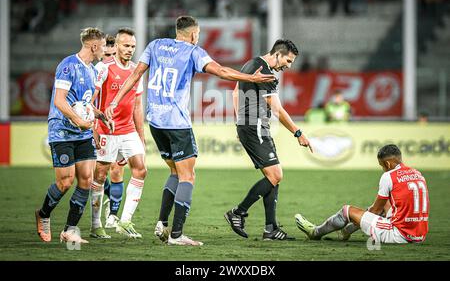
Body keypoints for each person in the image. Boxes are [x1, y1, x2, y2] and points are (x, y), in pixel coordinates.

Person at [105, 15, 275, 246]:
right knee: (188, 175)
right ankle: (176, 235)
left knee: (175, 172)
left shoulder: (155, 45)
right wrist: (249, 77)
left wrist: (115, 101)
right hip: (177, 123)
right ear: (194, 34)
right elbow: (222, 72)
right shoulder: (194, 52)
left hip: (155, 121)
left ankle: (162, 223)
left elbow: (135, 75)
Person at [225, 39, 313, 241]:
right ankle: (237, 212)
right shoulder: (265, 74)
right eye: (288, 60)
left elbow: (235, 92)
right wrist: (298, 133)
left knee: (273, 175)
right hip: (255, 126)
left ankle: (270, 228)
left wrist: (239, 121)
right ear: (278, 54)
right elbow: (278, 110)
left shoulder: (251, 63)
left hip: (251, 125)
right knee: (275, 174)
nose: (288, 66)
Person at [35, 27, 107, 244]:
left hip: (83, 131)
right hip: (62, 131)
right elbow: (59, 100)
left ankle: (70, 230)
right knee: (65, 182)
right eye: (103, 46)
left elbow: (84, 105)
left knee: (87, 178)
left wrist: (99, 118)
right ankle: (43, 214)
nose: (104, 50)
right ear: (94, 46)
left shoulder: (93, 70)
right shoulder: (68, 66)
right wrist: (78, 121)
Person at [295, 144, 429, 244]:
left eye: (382, 165)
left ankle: (315, 232)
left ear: (387, 164)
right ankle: (345, 231)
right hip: (419, 234)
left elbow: (375, 211)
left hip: (400, 234)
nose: (383, 169)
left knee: (347, 211)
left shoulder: (389, 176)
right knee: (386, 203)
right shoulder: (417, 173)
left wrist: (355, 220)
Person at [90, 28, 146, 239]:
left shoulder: (136, 71)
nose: (129, 49)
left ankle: (125, 221)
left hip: (128, 130)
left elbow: (137, 106)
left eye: (132, 46)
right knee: (101, 175)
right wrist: (95, 125)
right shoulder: (103, 68)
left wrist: (141, 135)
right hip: (107, 131)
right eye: (125, 45)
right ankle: (96, 225)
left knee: (140, 169)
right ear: (117, 46)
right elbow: (91, 99)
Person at [91, 34, 126, 233]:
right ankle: (105, 202)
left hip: (121, 127)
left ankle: (113, 215)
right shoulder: (98, 71)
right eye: (107, 54)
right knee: (97, 174)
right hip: (101, 126)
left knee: (117, 170)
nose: (110, 58)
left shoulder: (126, 70)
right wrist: (93, 125)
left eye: (114, 54)